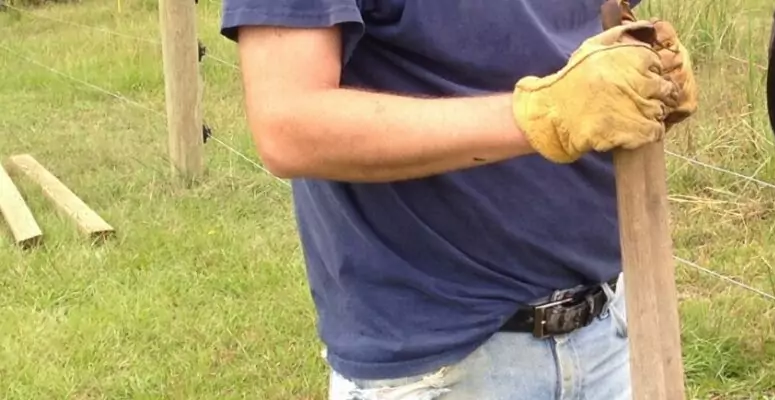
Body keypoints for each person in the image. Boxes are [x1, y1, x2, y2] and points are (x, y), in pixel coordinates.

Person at [218, 0, 696, 398]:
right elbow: (288, 125)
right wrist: (544, 114)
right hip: (439, 365)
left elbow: (585, 22)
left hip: (613, 331)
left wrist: (642, 77)